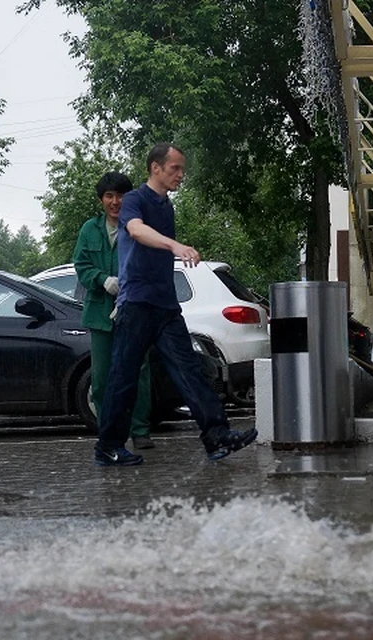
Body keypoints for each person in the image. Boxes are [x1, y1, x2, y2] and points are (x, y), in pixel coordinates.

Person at [94, 143, 257, 466]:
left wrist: (172, 248)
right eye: (175, 169)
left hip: (166, 306)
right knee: (123, 378)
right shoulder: (135, 201)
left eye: (182, 169)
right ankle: (108, 447)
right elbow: (137, 231)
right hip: (136, 304)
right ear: (156, 167)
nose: (181, 175)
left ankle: (216, 436)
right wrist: (175, 245)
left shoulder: (167, 207)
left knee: (190, 370)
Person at [73, 171, 155, 450]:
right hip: (99, 316)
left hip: (134, 313)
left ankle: (141, 430)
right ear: (101, 200)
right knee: (102, 378)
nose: (115, 201)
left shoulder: (139, 228)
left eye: (121, 195)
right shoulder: (89, 230)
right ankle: (109, 431)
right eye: (109, 196)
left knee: (138, 373)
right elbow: (82, 267)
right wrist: (102, 280)